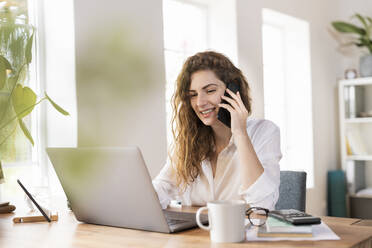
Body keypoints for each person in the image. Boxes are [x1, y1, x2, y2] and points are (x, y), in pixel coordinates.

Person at [153, 51, 281, 210]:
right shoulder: (189, 141)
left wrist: (240, 133)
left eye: (210, 90)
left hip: (243, 233)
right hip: (195, 234)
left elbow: (263, 205)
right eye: (193, 95)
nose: (200, 102)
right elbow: (160, 189)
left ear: (232, 91)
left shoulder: (264, 132)